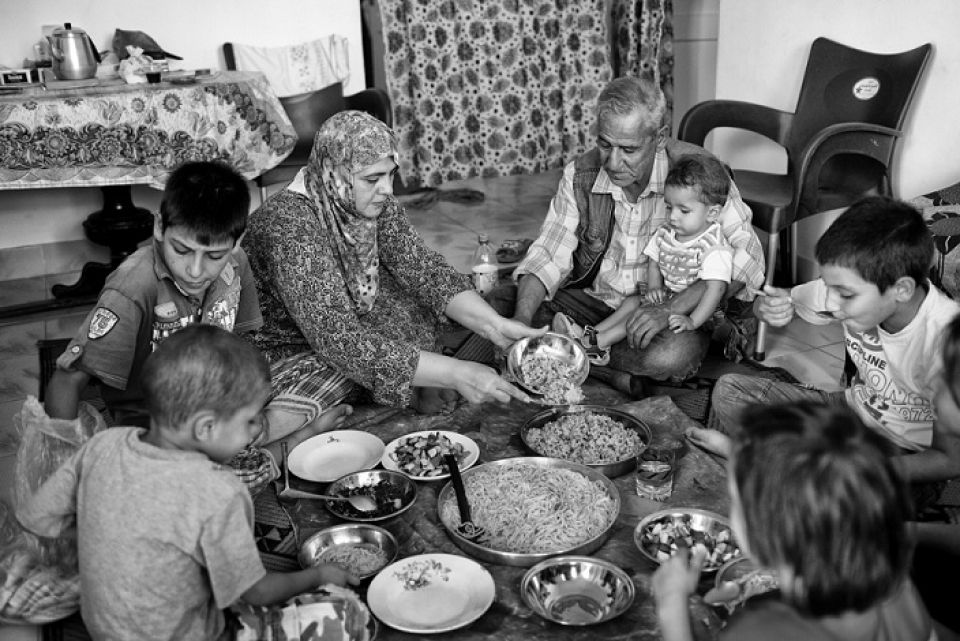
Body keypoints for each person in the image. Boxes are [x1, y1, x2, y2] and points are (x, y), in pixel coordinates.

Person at [17, 325, 358, 641]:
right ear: (205, 428)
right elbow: (255, 592)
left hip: (103, 628)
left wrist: (106, 536)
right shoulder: (218, 491)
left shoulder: (103, 445)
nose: (256, 430)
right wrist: (319, 577)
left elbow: (36, 517)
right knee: (345, 617)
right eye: (251, 420)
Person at [243, 110, 542, 428]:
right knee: (341, 367)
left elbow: (425, 271)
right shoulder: (290, 227)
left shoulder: (369, 200)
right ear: (333, 172)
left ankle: (413, 381)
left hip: (349, 315)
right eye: (372, 178)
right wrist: (457, 373)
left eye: (390, 174)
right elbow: (340, 339)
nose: (387, 189)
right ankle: (407, 387)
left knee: (416, 303)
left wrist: (494, 326)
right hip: (291, 342)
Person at [502, 75, 765, 395]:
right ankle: (607, 368)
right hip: (596, 303)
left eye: (628, 149)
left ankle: (569, 356)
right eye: (604, 144)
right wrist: (519, 319)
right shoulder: (581, 175)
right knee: (502, 303)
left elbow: (748, 256)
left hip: (670, 314)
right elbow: (547, 253)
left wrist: (669, 309)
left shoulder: (700, 175)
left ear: (660, 137)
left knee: (670, 354)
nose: (613, 163)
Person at [688, 197, 960, 487]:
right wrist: (770, 307)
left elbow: (948, 460)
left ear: (901, 290)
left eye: (845, 294)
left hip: (902, 455)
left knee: (847, 502)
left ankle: (779, 466)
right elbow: (768, 303)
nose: (830, 301)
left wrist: (856, 471)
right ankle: (802, 471)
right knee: (730, 392)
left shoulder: (946, 340)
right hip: (850, 414)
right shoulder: (844, 288)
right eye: (828, 286)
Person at [653, 402, 935, 641]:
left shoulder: (760, 631)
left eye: (736, 500)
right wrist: (748, 587)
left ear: (765, 532)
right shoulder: (896, 582)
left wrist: (671, 602)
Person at [552, 154, 734, 365]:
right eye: (668, 207)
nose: (673, 216)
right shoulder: (668, 231)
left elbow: (715, 290)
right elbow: (654, 260)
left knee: (642, 316)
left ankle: (599, 344)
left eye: (683, 210)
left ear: (712, 213)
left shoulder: (714, 247)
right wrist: (655, 286)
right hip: (667, 295)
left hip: (699, 311)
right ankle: (588, 335)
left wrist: (692, 321)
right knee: (632, 300)